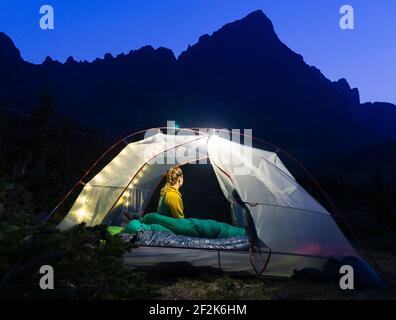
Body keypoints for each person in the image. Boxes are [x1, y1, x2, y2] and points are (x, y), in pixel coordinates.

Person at [122, 167, 247, 239]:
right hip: (172, 227)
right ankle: (242, 232)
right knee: (214, 227)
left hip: (167, 226)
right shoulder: (173, 195)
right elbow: (180, 221)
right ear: (180, 178)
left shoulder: (165, 193)